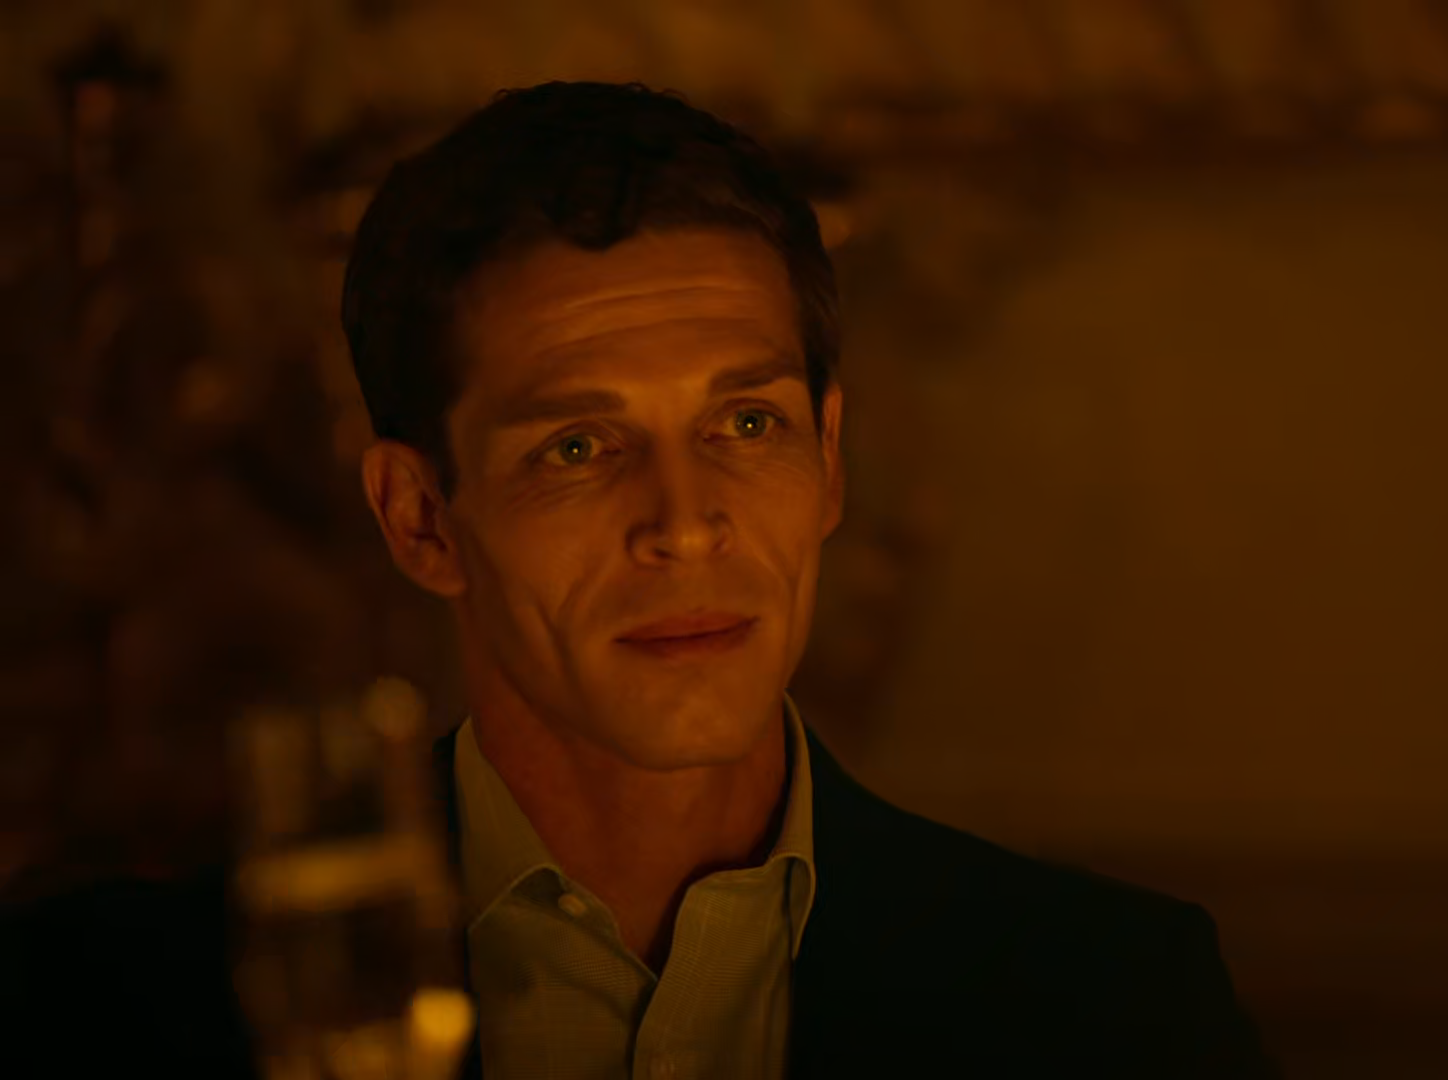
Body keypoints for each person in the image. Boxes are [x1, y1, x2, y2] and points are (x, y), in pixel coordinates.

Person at [1, 82, 1274, 1079]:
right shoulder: (98, 1013)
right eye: (577, 446)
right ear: (421, 518)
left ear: (830, 463)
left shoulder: (1114, 1006)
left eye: (746, 425)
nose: (685, 525)